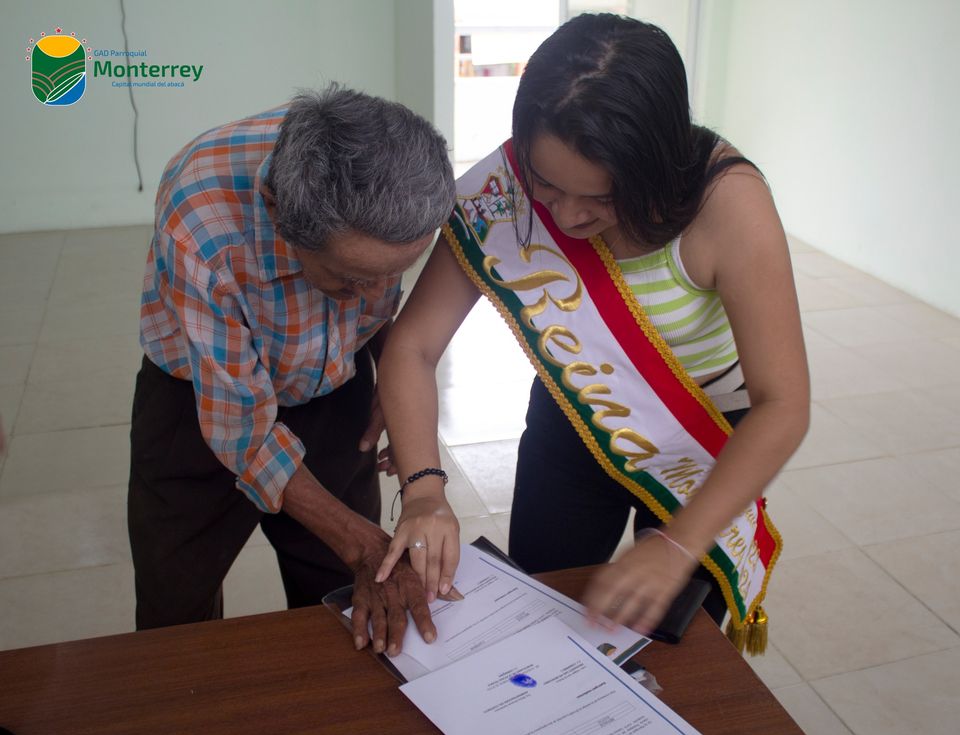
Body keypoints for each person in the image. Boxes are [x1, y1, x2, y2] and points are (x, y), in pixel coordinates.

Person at [375, 14, 809, 645]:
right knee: (538, 604)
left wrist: (678, 544)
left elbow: (784, 404)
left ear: (655, 167)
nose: (569, 217)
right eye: (548, 187)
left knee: (674, 643)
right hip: (579, 409)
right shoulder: (505, 189)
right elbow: (413, 345)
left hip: (703, 444)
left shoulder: (729, 203)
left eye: (603, 198)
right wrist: (423, 491)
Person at [128, 85, 456, 656]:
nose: (376, 295)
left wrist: (389, 364)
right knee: (174, 612)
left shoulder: (390, 172)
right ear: (279, 214)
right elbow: (243, 430)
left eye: (396, 271)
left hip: (332, 389)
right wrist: (363, 545)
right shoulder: (201, 214)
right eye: (353, 278)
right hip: (200, 399)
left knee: (346, 603)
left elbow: (384, 310)